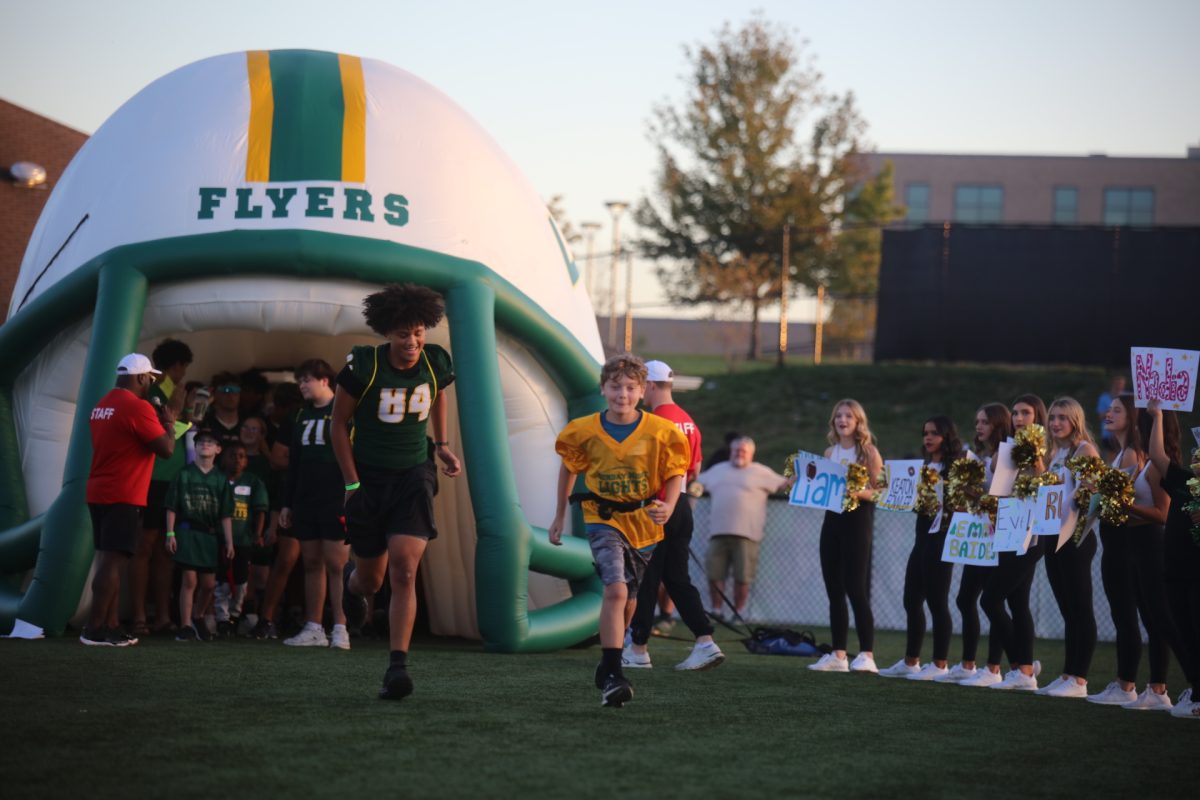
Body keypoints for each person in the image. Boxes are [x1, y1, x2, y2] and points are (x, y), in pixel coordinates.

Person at [335, 284, 463, 700]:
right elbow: (338, 425)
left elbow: (438, 395)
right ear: (387, 332)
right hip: (370, 477)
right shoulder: (366, 364)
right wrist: (352, 482)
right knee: (371, 582)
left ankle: (397, 668)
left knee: (405, 570)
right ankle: (352, 583)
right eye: (404, 334)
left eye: (419, 332)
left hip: (413, 474)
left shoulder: (435, 360)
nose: (412, 341)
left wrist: (441, 444)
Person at [550, 353, 689, 708]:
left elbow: (676, 471)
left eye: (630, 388)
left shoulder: (661, 431)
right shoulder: (584, 429)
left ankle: (609, 658)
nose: (622, 395)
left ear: (643, 391)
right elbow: (569, 467)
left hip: (643, 522)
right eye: (615, 387)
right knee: (614, 589)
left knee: (630, 598)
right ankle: (614, 673)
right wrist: (559, 515)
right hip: (602, 517)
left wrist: (670, 505)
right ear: (603, 389)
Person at [623, 360, 724, 673]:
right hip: (680, 504)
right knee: (677, 578)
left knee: (647, 577)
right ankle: (705, 641)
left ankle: (638, 648)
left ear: (650, 386)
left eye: (640, 387)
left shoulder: (653, 421)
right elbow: (694, 470)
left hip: (657, 504)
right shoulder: (688, 421)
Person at [81, 353, 176, 646]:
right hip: (124, 492)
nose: (151, 384)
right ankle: (94, 629)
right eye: (150, 378)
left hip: (99, 489)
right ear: (140, 377)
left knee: (108, 559)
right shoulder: (138, 407)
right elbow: (166, 449)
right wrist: (170, 425)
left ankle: (109, 626)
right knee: (113, 561)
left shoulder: (102, 405)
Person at [1087, 395, 1176, 709]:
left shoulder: (1135, 455)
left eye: (1117, 410)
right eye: (1109, 409)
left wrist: (1116, 503)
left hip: (1141, 543)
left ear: (1133, 417)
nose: (1108, 414)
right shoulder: (1121, 452)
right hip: (1127, 542)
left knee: (1152, 617)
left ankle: (1150, 687)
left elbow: (1156, 510)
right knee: (1139, 615)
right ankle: (1139, 686)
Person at [881, 416, 970, 681]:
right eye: (925, 433)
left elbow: (963, 503)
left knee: (937, 602)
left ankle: (940, 664)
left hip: (941, 539)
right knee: (911, 600)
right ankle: (911, 661)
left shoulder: (955, 467)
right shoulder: (920, 467)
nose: (928, 438)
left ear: (947, 436)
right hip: (921, 539)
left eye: (934, 433)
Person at [279, 359, 353, 650]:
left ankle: (341, 627)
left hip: (335, 496)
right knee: (311, 561)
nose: (302, 386)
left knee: (337, 563)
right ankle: (314, 627)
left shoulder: (345, 410)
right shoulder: (300, 415)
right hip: (306, 498)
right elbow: (294, 463)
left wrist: (353, 494)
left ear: (324, 380)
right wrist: (287, 503)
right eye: (300, 381)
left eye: (306, 380)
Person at [809, 399, 884, 674]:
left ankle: (866, 655)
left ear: (858, 422)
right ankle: (838, 655)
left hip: (857, 523)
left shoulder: (869, 453)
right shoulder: (830, 452)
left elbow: (881, 491)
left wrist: (859, 493)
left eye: (849, 416)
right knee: (834, 590)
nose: (843, 420)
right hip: (832, 522)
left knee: (855, 588)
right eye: (839, 416)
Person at [978, 393, 1047, 691]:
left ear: (1037, 416)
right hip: (1008, 528)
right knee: (1018, 603)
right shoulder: (1008, 447)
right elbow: (997, 476)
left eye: (1025, 413)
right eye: (1016, 413)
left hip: (1032, 534)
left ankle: (1022, 667)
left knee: (990, 600)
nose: (1019, 418)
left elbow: (1047, 483)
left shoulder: (1045, 447)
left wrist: (1035, 456)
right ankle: (1025, 669)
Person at [1036, 397, 1101, 698]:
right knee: (1068, 609)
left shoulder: (1084, 449)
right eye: (1052, 417)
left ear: (1075, 421)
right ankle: (1067, 674)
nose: (1056, 422)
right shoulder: (1054, 453)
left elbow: (1093, 493)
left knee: (1080, 608)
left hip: (1076, 537)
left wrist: (1083, 492)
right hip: (1052, 537)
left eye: (1063, 417)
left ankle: (1079, 679)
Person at [129, 337, 193, 637]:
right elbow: (158, 434)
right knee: (145, 545)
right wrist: (178, 412)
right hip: (152, 479)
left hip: (173, 480)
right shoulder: (153, 393)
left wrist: (187, 414)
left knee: (166, 549)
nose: (184, 374)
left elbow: (178, 429)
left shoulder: (173, 392)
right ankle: (139, 616)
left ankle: (163, 616)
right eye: (183, 367)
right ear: (177, 365)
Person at [946, 403, 1012, 685]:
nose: (979, 427)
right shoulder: (985, 454)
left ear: (998, 424)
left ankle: (995, 668)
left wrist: (974, 492)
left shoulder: (1005, 453)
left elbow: (1000, 496)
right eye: (977, 422)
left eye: (985, 422)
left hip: (996, 535)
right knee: (965, 599)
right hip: (978, 534)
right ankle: (969, 664)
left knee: (993, 602)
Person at [695, 436, 790, 621]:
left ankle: (738, 613)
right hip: (718, 532)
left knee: (743, 577)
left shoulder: (761, 472)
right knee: (715, 574)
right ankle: (716, 611)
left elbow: (784, 484)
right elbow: (697, 482)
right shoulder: (718, 470)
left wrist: (800, 476)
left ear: (751, 454)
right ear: (730, 452)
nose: (739, 453)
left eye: (743, 451)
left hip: (747, 535)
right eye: (736, 450)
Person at [1146, 399, 1200, 718]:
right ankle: (1196, 691)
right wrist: (1157, 416)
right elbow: (1157, 455)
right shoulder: (1184, 481)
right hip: (1175, 572)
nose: (1196, 458)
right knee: (1184, 632)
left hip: (1196, 575)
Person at [165, 429, 234, 642]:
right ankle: (185, 625)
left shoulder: (220, 479)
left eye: (210, 442)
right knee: (189, 580)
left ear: (218, 449)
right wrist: (170, 533)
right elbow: (171, 506)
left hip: (209, 536)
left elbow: (226, 514)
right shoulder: (184, 474)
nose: (205, 444)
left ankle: (198, 615)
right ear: (194, 447)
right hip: (187, 532)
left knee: (209, 584)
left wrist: (229, 542)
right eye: (201, 441)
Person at [213, 441, 268, 636]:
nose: (237, 459)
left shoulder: (253, 482)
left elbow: (260, 510)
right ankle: (221, 617)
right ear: (223, 458)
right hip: (218, 537)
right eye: (232, 455)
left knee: (241, 579)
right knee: (220, 579)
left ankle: (235, 614)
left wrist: (258, 534)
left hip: (243, 539)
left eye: (241, 456)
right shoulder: (216, 479)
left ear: (246, 461)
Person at [203, 372, 243, 447]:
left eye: (235, 390)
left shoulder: (247, 422)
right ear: (214, 393)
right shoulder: (205, 422)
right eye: (225, 390)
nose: (231, 395)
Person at [1096, 374, 1126, 455]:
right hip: (1108, 435)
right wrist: (1114, 409)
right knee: (1111, 458)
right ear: (1113, 384)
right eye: (1118, 383)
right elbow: (1101, 416)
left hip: (1122, 434)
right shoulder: (1104, 398)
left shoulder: (1126, 398)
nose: (1119, 386)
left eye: (1121, 384)